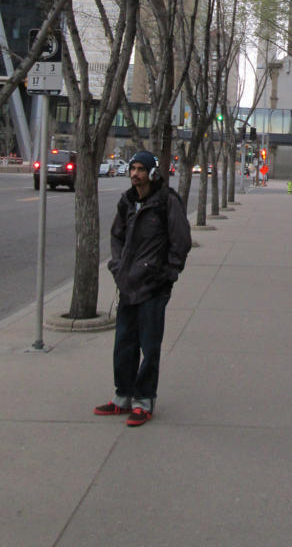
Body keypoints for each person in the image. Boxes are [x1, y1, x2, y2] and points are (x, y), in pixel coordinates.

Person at [93, 150, 191, 427]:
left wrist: (167, 274)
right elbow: (116, 237)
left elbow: (181, 241)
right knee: (124, 343)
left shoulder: (166, 202)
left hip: (153, 287)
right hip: (128, 284)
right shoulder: (127, 201)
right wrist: (117, 267)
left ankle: (144, 400)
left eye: (140, 169)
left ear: (151, 173)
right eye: (132, 168)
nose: (135, 173)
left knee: (149, 345)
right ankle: (123, 396)